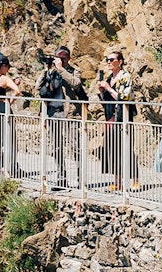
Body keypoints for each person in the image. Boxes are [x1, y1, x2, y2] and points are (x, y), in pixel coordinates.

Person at [36, 46, 85, 189]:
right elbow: (38, 88)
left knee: (75, 147)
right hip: (53, 113)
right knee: (56, 147)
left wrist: (61, 69)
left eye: (62, 58)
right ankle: (61, 178)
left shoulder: (74, 70)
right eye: (57, 57)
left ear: (68, 58)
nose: (59, 60)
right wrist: (46, 70)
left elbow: (76, 84)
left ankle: (81, 179)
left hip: (69, 114)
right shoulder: (51, 71)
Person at [97, 50, 132, 191]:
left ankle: (130, 181)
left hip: (121, 117)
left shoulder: (125, 77)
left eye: (112, 59)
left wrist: (108, 88)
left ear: (120, 62)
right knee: (113, 148)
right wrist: (101, 91)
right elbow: (106, 100)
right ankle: (117, 182)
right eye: (107, 59)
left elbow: (124, 97)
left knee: (123, 148)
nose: (109, 62)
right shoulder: (109, 77)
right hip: (110, 116)